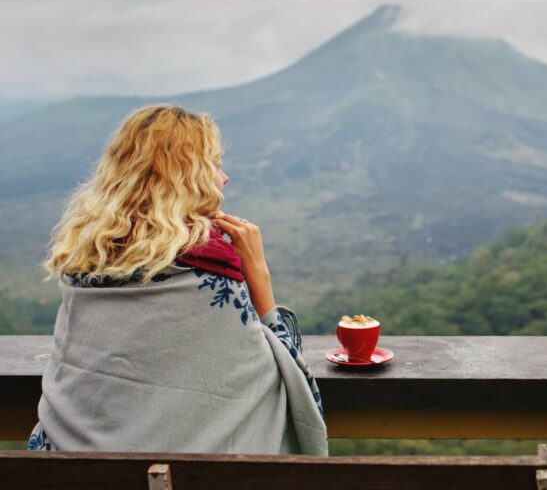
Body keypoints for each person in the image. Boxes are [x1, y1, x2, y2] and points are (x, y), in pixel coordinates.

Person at [27, 104, 328, 455]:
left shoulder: (85, 261)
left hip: (65, 476)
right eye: (215, 164)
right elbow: (284, 376)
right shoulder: (209, 270)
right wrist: (258, 273)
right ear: (189, 176)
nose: (224, 177)